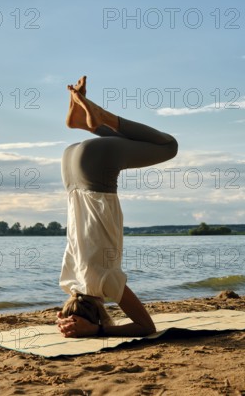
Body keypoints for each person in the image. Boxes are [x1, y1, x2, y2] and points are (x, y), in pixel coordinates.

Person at [56, 76, 178, 338]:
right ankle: (86, 121)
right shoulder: (70, 281)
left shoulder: (106, 284)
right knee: (152, 145)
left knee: (169, 146)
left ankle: (101, 117)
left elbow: (146, 328)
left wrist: (98, 331)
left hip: (94, 173)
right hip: (71, 172)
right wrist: (68, 315)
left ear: (101, 311)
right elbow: (75, 302)